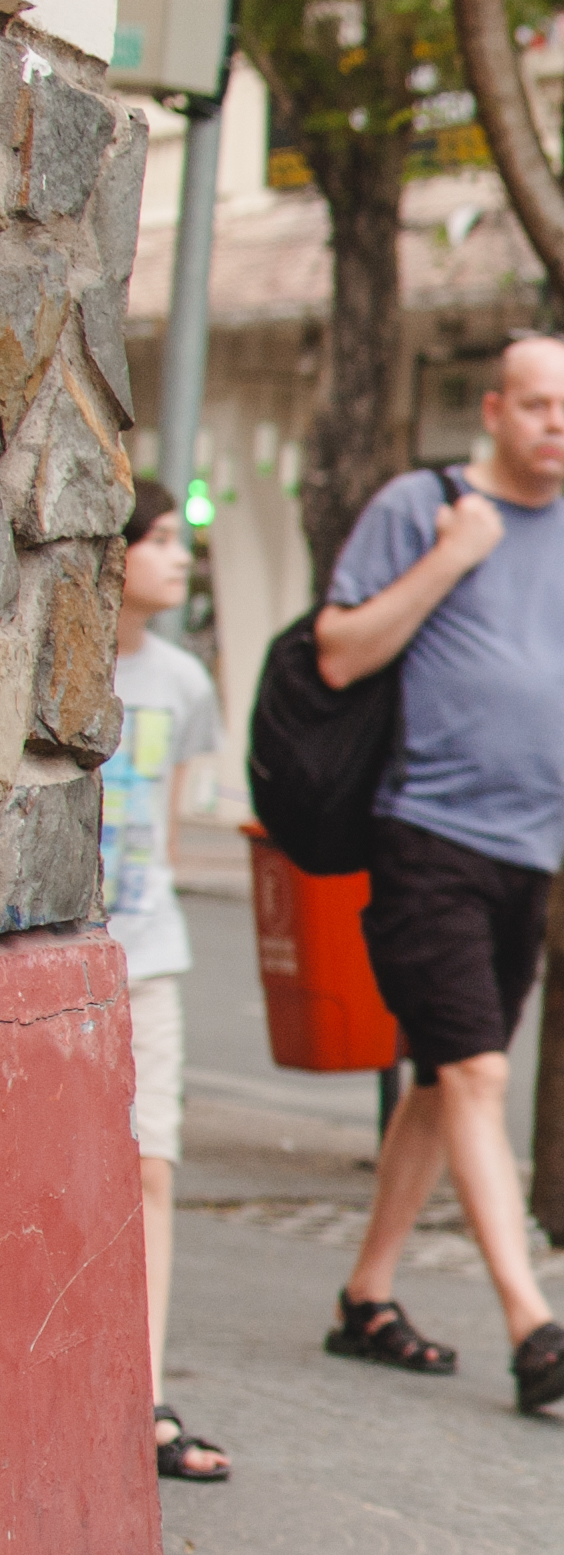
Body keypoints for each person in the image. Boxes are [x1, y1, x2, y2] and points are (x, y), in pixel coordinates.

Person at [313, 335, 564, 1414]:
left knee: (451, 1076)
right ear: (492, 409)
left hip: (523, 851)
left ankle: (365, 1296)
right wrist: (451, 557)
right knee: (480, 1075)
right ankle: (530, 1323)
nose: (555, 423)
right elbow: (340, 650)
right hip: (421, 834)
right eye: (534, 403)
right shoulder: (420, 507)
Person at [104, 480, 228, 1480]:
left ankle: (142, 1395)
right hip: (49, 952)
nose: (175, 555)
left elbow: (170, 827)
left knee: (151, 1165)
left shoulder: (184, 683)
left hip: (150, 953)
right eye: (154, 538)